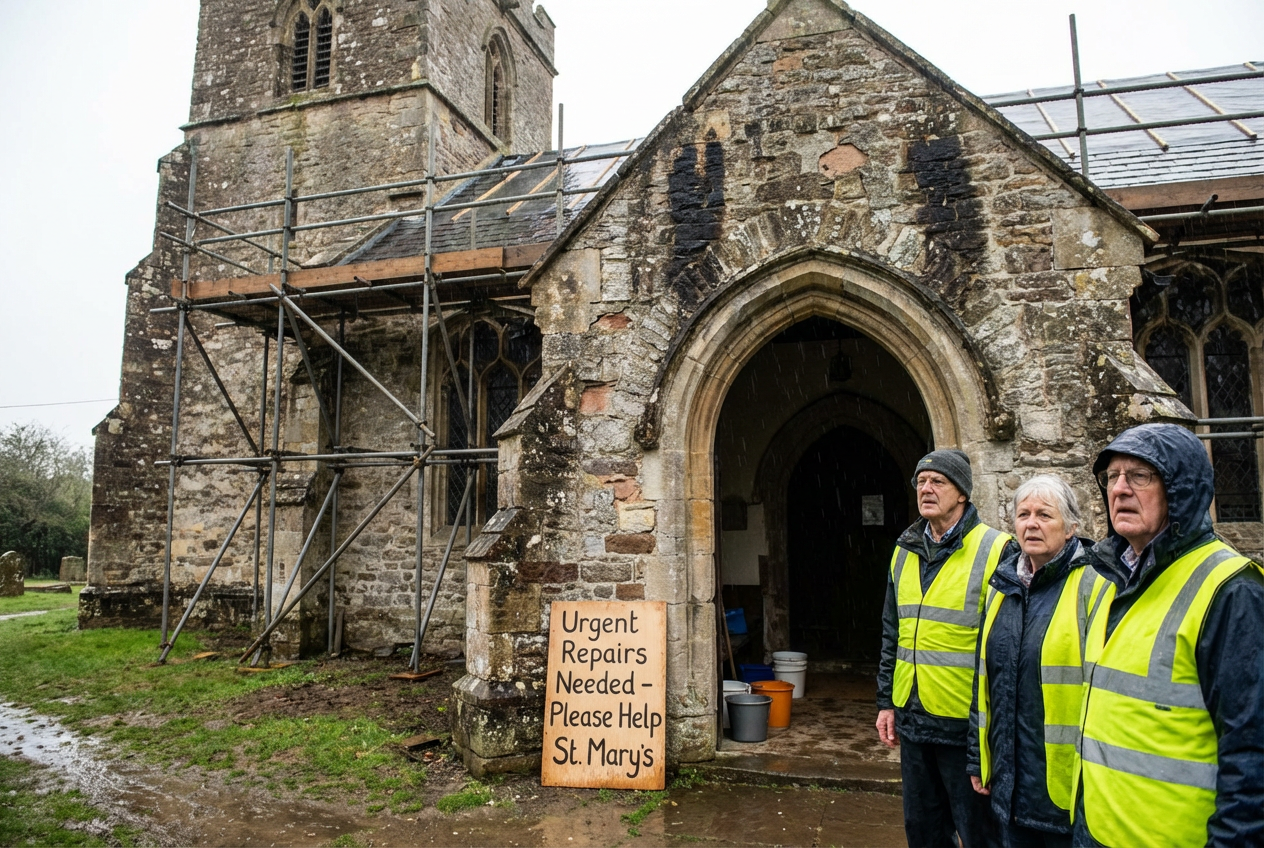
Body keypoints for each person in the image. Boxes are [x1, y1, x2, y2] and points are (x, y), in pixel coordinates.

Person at [1074, 423, 1263, 847]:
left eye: (1139, 476)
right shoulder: (1109, 577)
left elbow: (1252, 752)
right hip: (1099, 831)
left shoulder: (1232, 590)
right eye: (1112, 477)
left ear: (1182, 489)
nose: (1119, 490)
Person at [877, 448, 1014, 847]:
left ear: (963, 494)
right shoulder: (904, 549)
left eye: (938, 481)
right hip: (914, 714)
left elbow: (1004, 647)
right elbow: (892, 632)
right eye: (921, 481)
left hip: (964, 724)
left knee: (978, 833)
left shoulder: (996, 549)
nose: (926, 488)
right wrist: (886, 701)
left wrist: (991, 727)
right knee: (923, 831)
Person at [967, 475, 1105, 848]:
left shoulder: (1094, 584)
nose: (1031, 524)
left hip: (1067, 793)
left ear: (1072, 525)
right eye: (1023, 514)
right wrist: (977, 758)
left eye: (1045, 515)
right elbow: (984, 684)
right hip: (1009, 787)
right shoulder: (1003, 586)